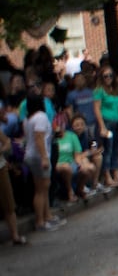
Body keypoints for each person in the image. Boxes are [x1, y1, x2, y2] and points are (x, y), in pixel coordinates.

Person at [22, 90, 60, 232]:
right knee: (41, 189)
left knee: (43, 186)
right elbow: (39, 138)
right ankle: (40, 221)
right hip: (39, 156)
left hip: (31, 154)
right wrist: (44, 157)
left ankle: (47, 215)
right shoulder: (41, 117)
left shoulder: (27, 119)